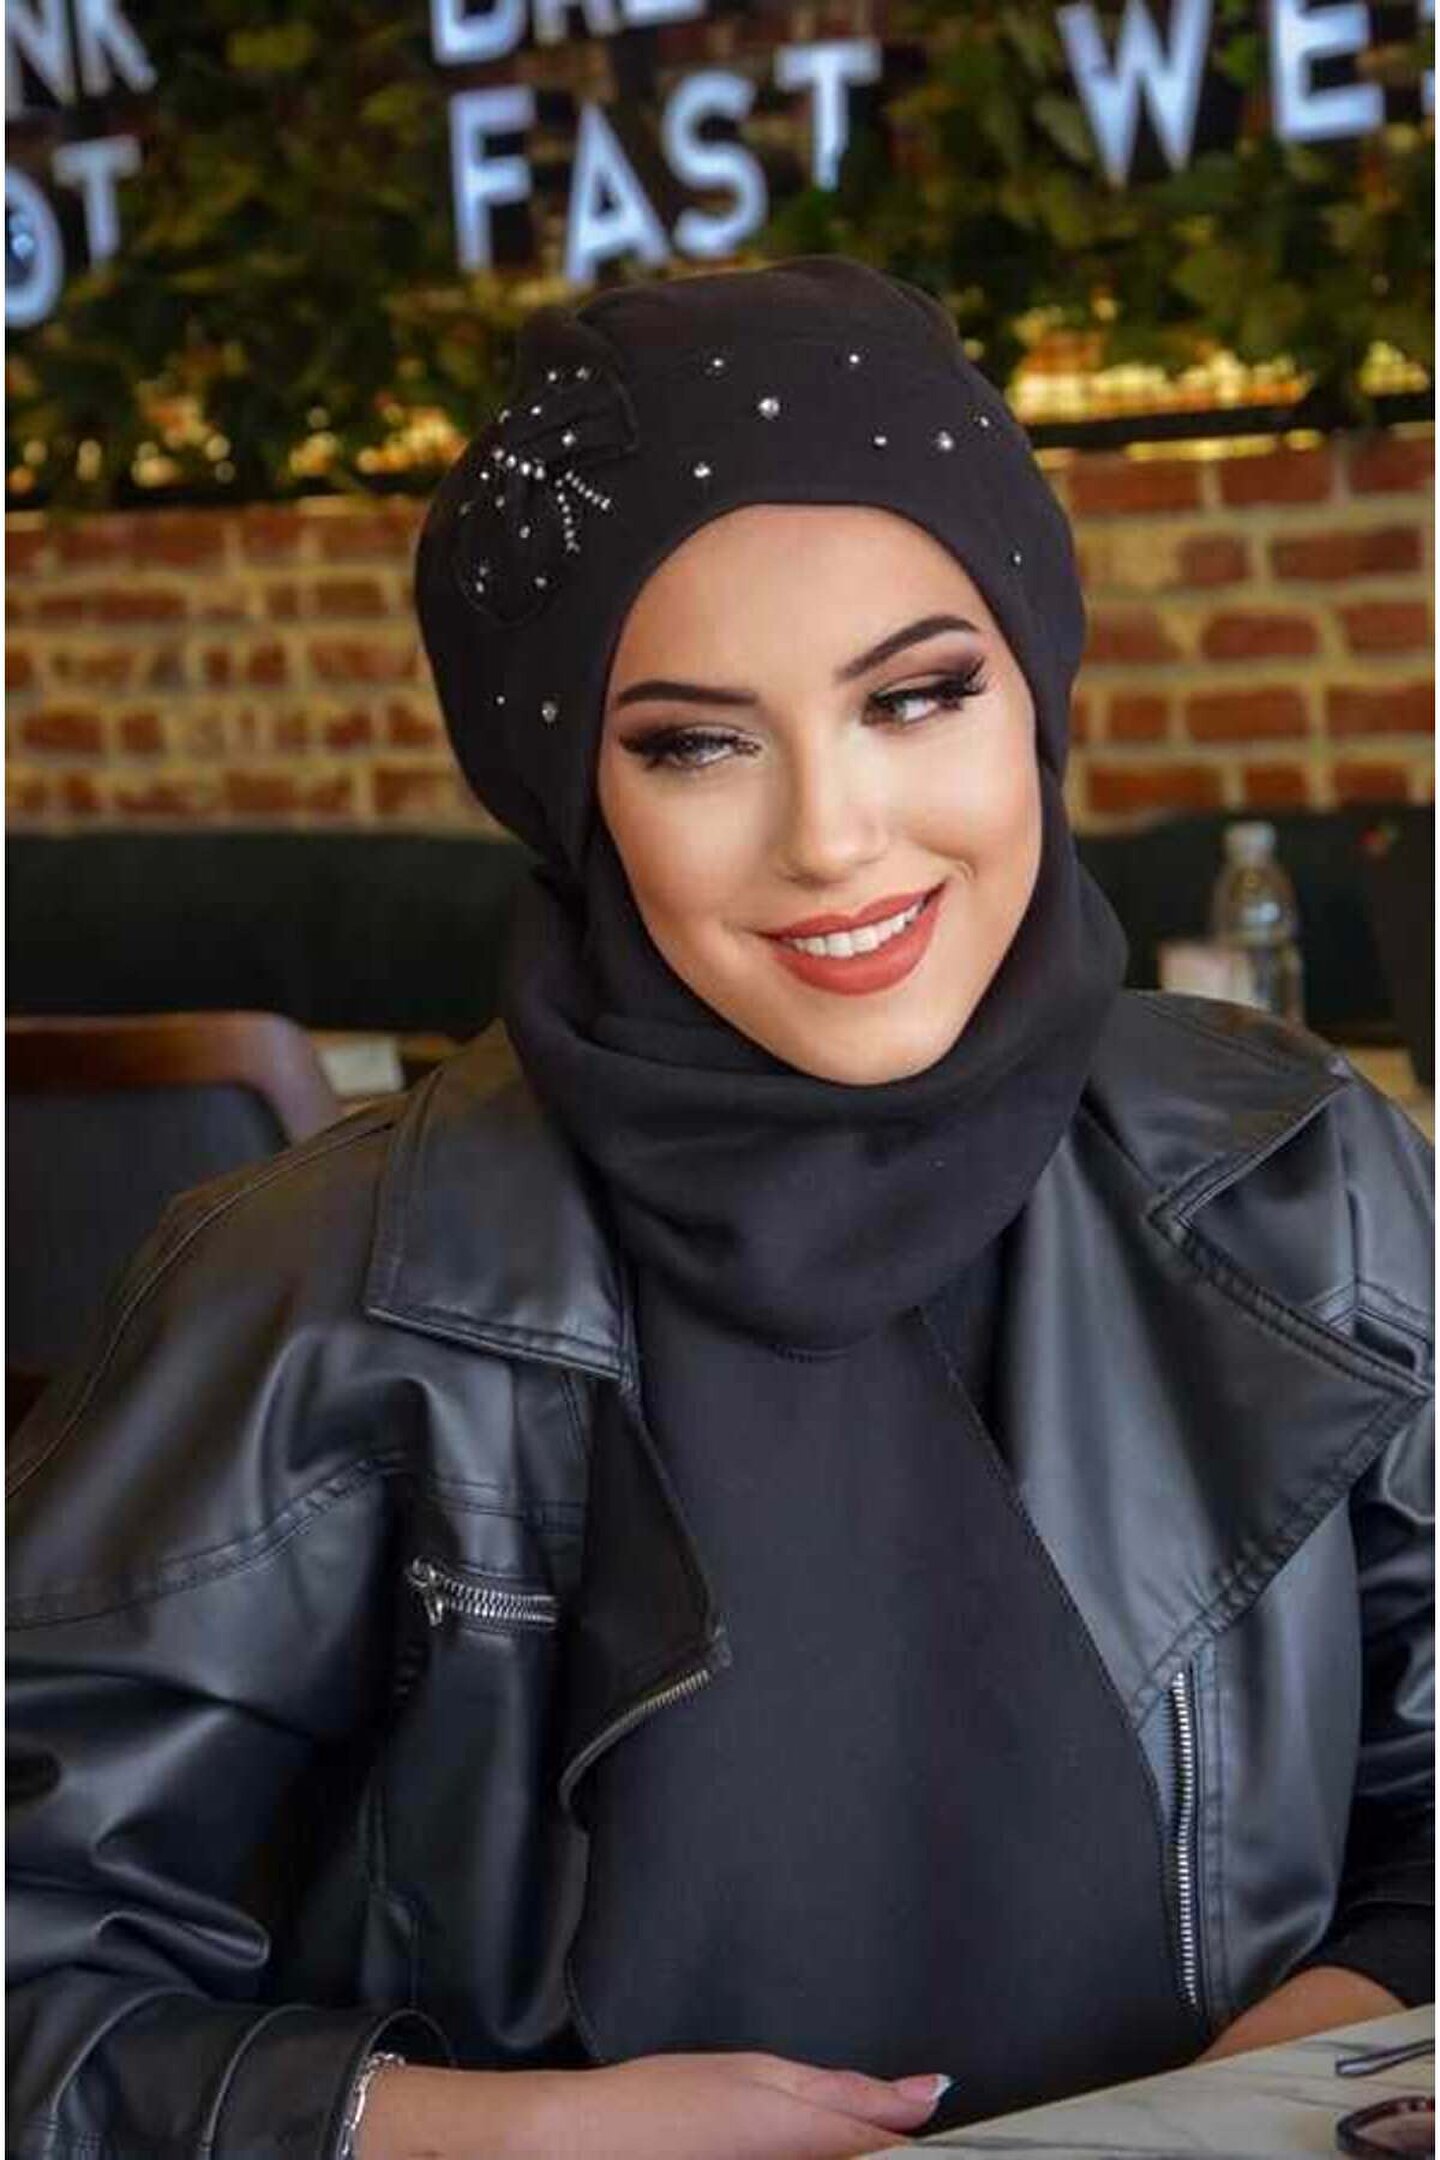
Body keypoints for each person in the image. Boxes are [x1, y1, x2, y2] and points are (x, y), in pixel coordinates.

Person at [7, 258, 1432, 2160]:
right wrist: (499, 2138)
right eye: (695, 742)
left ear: (1034, 688)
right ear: (571, 790)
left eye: (918, 696)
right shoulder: (312, 1290)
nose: (833, 836)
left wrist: (1270, 2087)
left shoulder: (1300, 1178)